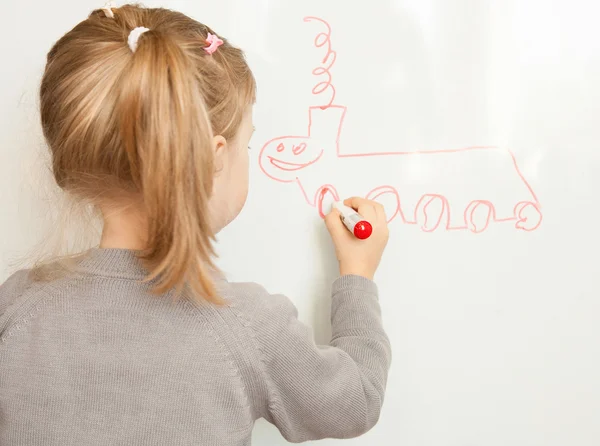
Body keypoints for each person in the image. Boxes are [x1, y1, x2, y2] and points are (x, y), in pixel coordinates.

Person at [0, 4, 391, 445]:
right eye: (248, 144)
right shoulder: (247, 325)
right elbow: (355, 402)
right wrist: (358, 276)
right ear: (214, 158)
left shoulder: (16, 306)